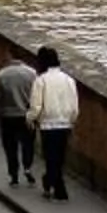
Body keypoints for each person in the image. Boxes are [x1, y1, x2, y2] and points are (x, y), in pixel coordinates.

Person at [27, 44, 80, 200]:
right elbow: (74, 106)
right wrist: (72, 120)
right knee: (59, 157)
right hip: (65, 123)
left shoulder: (41, 81)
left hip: (47, 124)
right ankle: (56, 185)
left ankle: (53, 184)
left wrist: (30, 118)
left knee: (50, 157)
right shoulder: (69, 80)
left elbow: (36, 105)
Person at [0, 49, 39, 187]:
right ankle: (27, 167)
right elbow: (36, 96)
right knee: (28, 144)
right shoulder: (32, 73)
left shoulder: (1, 74)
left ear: (9, 55)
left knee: (10, 147)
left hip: (8, 116)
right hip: (27, 116)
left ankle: (14, 176)